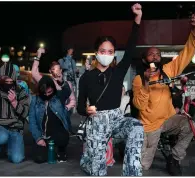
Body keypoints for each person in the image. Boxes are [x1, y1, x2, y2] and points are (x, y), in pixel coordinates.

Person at [77, 4, 143, 176]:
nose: (106, 54)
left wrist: (137, 19)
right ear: (96, 52)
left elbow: (131, 48)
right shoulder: (86, 77)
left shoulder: (118, 72)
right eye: (102, 51)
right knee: (97, 170)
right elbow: (78, 107)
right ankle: (88, 161)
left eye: (110, 51)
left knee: (136, 127)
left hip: (116, 118)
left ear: (114, 54)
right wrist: (86, 110)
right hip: (97, 122)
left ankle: (131, 172)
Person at [132, 14, 195, 175]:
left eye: (157, 54)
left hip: (169, 119)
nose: (155, 56)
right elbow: (139, 105)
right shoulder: (138, 79)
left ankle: (174, 158)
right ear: (144, 60)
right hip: (149, 125)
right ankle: (128, 145)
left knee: (191, 125)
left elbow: (186, 54)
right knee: (143, 166)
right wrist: (146, 83)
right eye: (151, 54)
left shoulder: (168, 71)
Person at [31, 49, 76, 132]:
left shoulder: (67, 84)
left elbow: (73, 100)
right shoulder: (48, 82)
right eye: (54, 69)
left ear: (61, 70)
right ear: (50, 71)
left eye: (58, 68)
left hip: (63, 117)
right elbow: (34, 73)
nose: (57, 71)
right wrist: (38, 56)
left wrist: (66, 108)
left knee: (62, 141)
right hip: (50, 117)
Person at [29, 75, 71, 163]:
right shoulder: (35, 100)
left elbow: (67, 91)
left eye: (49, 92)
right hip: (42, 135)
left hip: (57, 134)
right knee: (39, 159)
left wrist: (62, 82)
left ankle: (61, 150)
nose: (47, 95)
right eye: (44, 93)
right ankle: (47, 148)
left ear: (53, 89)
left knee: (62, 138)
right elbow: (32, 122)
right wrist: (38, 138)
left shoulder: (58, 97)